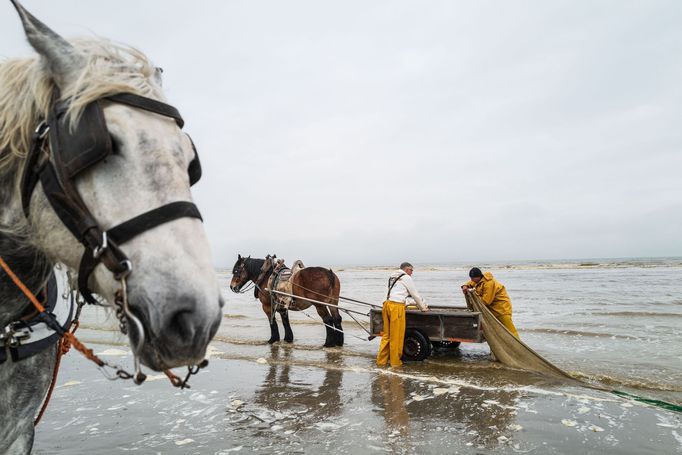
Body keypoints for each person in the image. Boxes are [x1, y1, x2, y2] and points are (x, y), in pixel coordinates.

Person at [377, 262, 428, 368]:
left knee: (387, 335)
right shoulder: (406, 277)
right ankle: (395, 363)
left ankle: (381, 361)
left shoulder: (392, 275)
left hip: (386, 305)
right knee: (396, 336)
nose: (412, 273)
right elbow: (415, 294)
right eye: (411, 270)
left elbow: (394, 291)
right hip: (396, 307)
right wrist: (423, 308)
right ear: (406, 269)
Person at [461, 267, 519, 338]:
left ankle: (518, 346)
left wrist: (474, 298)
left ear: (479, 276)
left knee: (510, 330)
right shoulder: (479, 281)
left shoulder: (489, 283)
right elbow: (471, 283)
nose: (471, 280)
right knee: (498, 331)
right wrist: (465, 286)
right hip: (493, 310)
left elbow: (486, 301)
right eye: (471, 278)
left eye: (473, 278)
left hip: (502, 309)